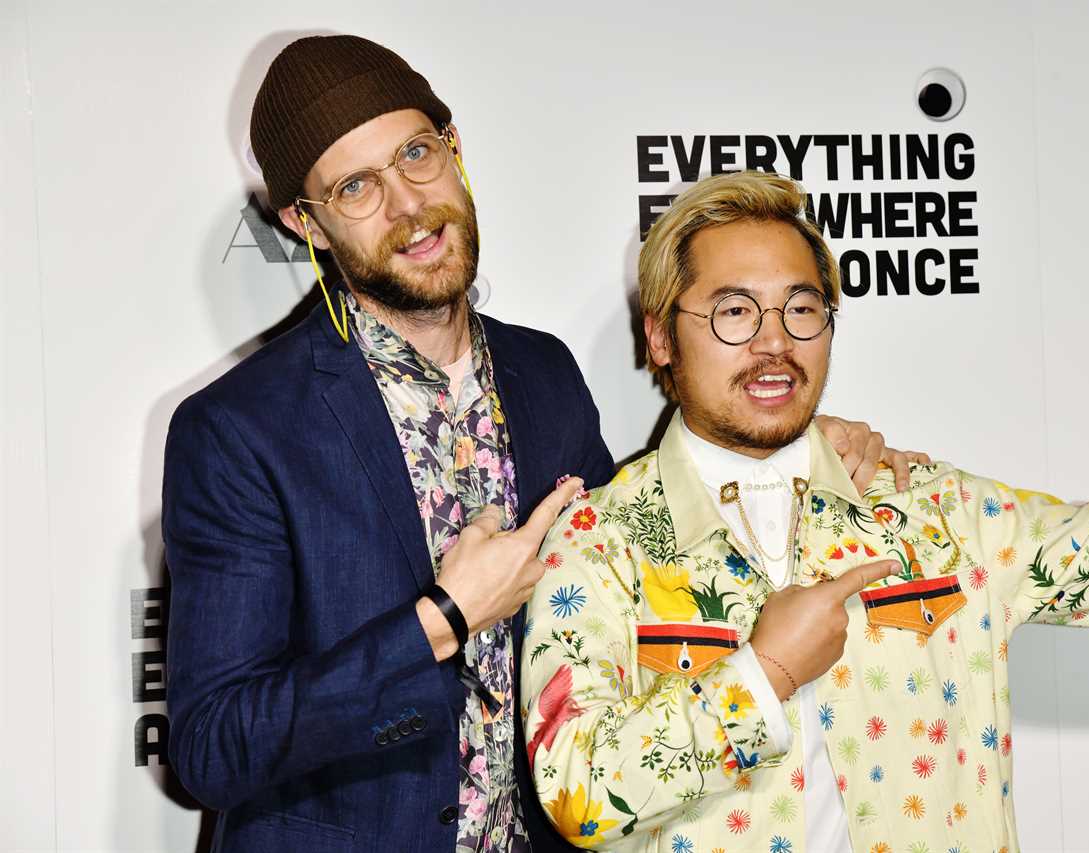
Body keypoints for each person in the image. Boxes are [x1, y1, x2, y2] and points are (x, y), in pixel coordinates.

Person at [162, 35, 924, 853]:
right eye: (356, 187)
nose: (409, 205)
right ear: (304, 221)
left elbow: (640, 545)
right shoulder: (240, 430)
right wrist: (442, 620)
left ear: (454, 150)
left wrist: (786, 452)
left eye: (417, 153)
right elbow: (213, 747)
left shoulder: (543, 371)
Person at [520, 169, 1089, 853]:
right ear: (659, 335)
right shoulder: (601, 539)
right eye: (733, 312)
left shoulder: (933, 510)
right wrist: (763, 674)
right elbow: (577, 792)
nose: (775, 343)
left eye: (802, 308)